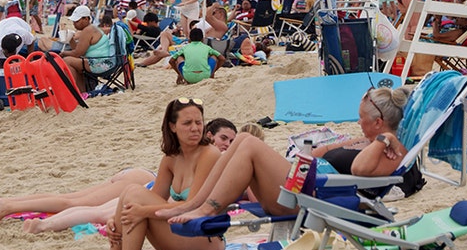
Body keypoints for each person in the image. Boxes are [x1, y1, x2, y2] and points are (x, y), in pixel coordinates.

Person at [161, 86, 419, 225]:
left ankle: (206, 209)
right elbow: (320, 152)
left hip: (311, 198)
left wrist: (386, 138)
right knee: (241, 140)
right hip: (299, 182)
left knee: (248, 143)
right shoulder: (366, 141)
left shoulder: (391, 151)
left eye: (362, 118)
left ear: (378, 123)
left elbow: (360, 169)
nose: (358, 122)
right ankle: (194, 204)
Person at [94, 97, 224, 250]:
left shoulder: (209, 154)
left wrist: (140, 212)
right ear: (172, 126)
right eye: (187, 123)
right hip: (181, 234)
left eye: (198, 122)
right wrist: (116, 220)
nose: (195, 128)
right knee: (132, 193)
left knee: (135, 195)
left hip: (206, 239)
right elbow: (154, 199)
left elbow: (193, 205)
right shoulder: (171, 159)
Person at [0, 167, 157, 230]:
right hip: (140, 180)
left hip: (138, 174)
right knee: (72, 203)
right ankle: (7, 206)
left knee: (67, 198)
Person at [59, 5, 116, 79]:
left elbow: (77, 53)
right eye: (73, 21)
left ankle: (73, 85)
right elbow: (78, 50)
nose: (74, 24)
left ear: (86, 19)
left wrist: (63, 53)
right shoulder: (92, 28)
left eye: (77, 21)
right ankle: (80, 85)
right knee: (75, 62)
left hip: (101, 64)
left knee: (67, 61)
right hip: (106, 62)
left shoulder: (88, 30)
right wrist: (70, 39)